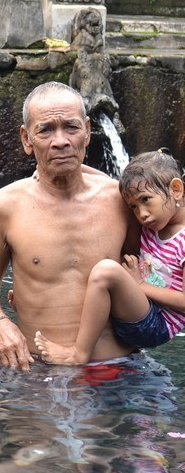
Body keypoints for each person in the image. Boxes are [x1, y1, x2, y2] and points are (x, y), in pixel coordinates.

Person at [0, 81, 139, 370]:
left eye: (71, 127)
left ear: (87, 131)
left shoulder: (120, 199)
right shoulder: (5, 205)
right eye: (46, 129)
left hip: (117, 368)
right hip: (35, 368)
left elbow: (150, 270)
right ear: (26, 139)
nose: (60, 140)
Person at [35, 150, 185, 364]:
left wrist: (140, 284)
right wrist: (50, 170)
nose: (141, 214)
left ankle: (79, 354)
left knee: (106, 270)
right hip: (140, 309)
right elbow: (108, 183)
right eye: (134, 206)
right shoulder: (157, 220)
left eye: (146, 200)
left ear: (176, 190)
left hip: (156, 325)